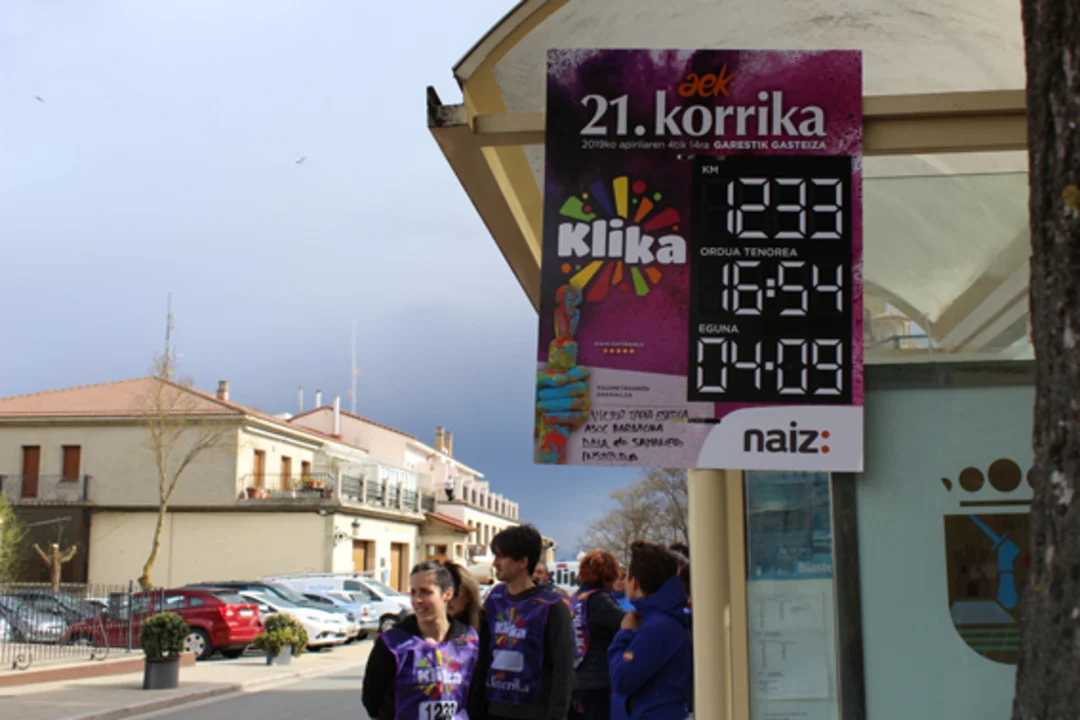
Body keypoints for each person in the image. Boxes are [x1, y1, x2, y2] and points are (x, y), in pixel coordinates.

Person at [362, 560, 483, 720]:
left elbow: (476, 697)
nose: (417, 600)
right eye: (413, 592)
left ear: (447, 594)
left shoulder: (468, 640)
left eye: (426, 592)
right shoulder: (392, 643)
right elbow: (372, 700)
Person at [481, 524, 574, 720]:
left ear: (523, 561)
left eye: (501, 557)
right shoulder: (494, 598)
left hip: (534, 711)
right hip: (493, 708)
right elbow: (482, 655)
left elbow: (563, 670)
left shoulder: (551, 606)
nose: (495, 563)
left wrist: (557, 714)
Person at [607, 541, 692, 720]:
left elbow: (622, 678)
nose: (623, 582)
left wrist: (624, 634)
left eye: (626, 577)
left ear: (635, 584)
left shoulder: (659, 627)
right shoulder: (659, 619)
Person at [569, 550, 626, 720]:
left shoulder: (575, 599)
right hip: (598, 681)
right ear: (608, 575)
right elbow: (625, 623)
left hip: (575, 679)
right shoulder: (600, 600)